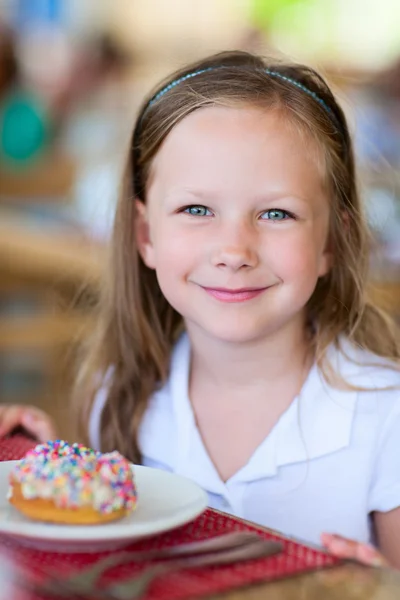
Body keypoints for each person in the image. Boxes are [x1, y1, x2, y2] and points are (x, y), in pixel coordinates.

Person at [1, 50, 400, 568]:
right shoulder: (119, 394)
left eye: (277, 212)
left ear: (332, 242)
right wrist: (44, 467)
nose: (234, 250)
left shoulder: (386, 418)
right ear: (146, 234)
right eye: (196, 209)